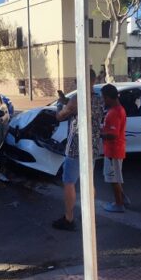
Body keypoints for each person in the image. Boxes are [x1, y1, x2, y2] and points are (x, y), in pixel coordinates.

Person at [52, 69, 103, 231]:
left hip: (76, 147)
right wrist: (68, 101)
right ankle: (89, 214)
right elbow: (78, 110)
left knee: (69, 182)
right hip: (93, 145)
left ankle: (69, 218)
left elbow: (60, 116)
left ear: (81, 81)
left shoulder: (76, 99)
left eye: (76, 80)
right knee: (89, 182)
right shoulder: (99, 100)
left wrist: (61, 103)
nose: (75, 83)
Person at [100, 84, 128, 213]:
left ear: (108, 97)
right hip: (114, 150)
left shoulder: (115, 112)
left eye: (103, 98)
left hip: (113, 151)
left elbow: (113, 134)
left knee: (113, 179)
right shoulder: (117, 110)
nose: (103, 100)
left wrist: (98, 134)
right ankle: (122, 198)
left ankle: (119, 204)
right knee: (116, 176)